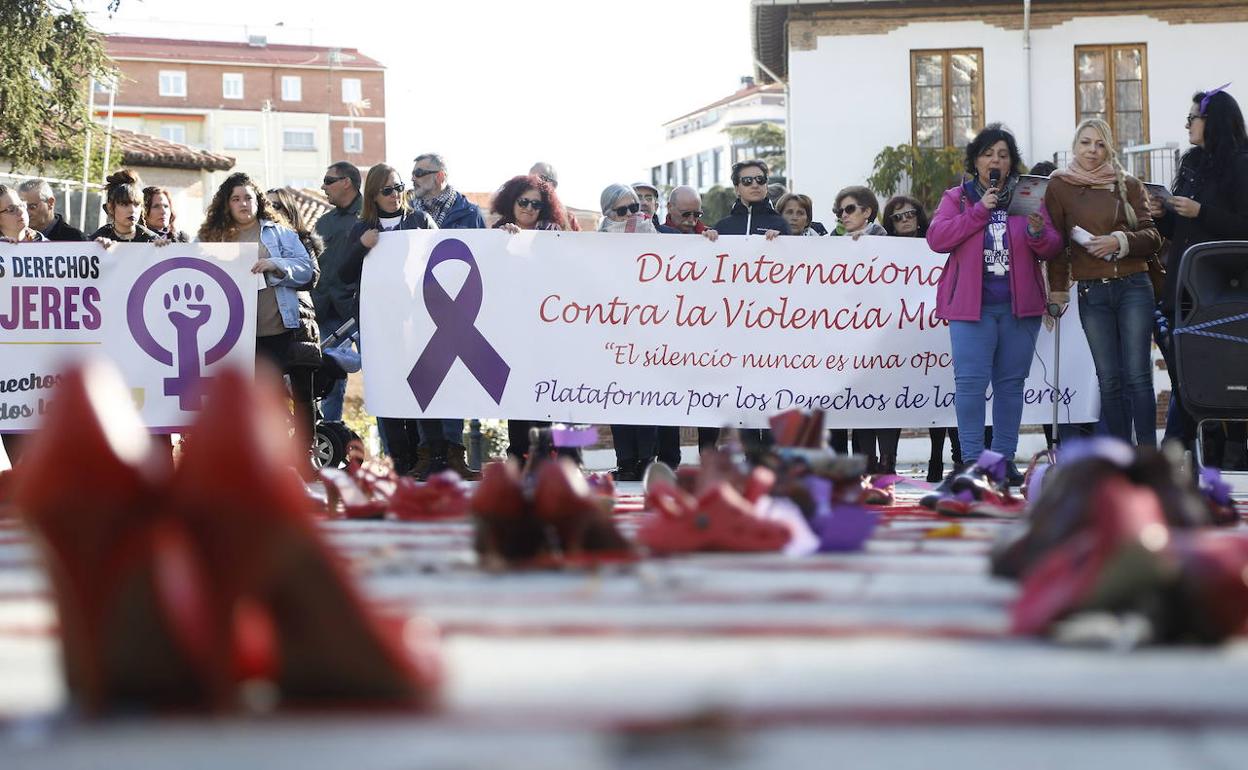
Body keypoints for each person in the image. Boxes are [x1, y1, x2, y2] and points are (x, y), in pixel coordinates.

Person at [926, 123, 1063, 488]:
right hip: (971, 308)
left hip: (1020, 309)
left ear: (1012, 162)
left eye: (1003, 155)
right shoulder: (957, 198)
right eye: (988, 154)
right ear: (975, 161)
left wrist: (1036, 232)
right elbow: (937, 239)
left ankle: (1002, 458)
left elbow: (1050, 246)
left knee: (1010, 385)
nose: (996, 160)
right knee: (970, 384)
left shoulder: (1029, 197)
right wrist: (978, 212)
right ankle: (972, 459)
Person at [1045, 118, 1161, 448]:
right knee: (1108, 379)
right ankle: (1122, 456)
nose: (1092, 151)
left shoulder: (1129, 184)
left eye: (1099, 144)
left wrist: (1120, 241)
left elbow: (1153, 237)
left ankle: (1148, 457)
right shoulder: (1059, 186)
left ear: (1109, 148)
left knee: (1138, 376)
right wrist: (1056, 290)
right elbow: (1056, 245)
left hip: (1134, 286)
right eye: (1085, 143)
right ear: (1074, 145)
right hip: (1091, 290)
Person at [1150, 85, 1248, 457]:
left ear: (1214, 121)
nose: (1188, 124)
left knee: (1214, 381)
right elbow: (1183, 230)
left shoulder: (1241, 164)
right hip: (1183, 288)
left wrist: (1200, 212)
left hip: (1224, 296)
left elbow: (1243, 224)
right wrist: (1164, 218)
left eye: (1194, 117)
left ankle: (1199, 451)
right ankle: (1189, 453)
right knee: (1185, 381)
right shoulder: (1191, 163)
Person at [198, 172, 317, 461]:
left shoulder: (280, 233)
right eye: (236, 198)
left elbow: (308, 270)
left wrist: (275, 265)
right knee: (252, 400)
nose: (243, 203)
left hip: (277, 328)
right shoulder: (211, 237)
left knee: (287, 397)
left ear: (258, 201)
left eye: (248, 197)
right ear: (226, 204)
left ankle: (301, 454)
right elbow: (189, 264)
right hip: (236, 334)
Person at [338, 164, 439, 478]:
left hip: (420, 324)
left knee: (425, 389)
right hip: (379, 327)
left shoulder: (420, 220)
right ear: (374, 195)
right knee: (390, 392)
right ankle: (400, 461)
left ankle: (433, 457)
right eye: (387, 190)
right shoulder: (361, 229)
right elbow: (343, 275)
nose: (395, 195)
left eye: (398, 188)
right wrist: (362, 248)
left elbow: (445, 255)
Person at [493, 174, 579, 465]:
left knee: (560, 396)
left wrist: (557, 239)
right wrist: (502, 241)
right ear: (511, 202)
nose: (530, 208)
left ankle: (568, 457)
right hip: (514, 334)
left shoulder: (555, 234)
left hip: (552, 331)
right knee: (519, 397)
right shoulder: (494, 234)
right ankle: (520, 456)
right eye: (524, 202)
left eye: (536, 204)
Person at [409, 152, 486, 479]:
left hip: (459, 306)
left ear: (440, 176)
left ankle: (453, 452)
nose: (413, 178)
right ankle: (429, 452)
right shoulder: (407, 212)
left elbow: (483, 256)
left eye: (421, 173)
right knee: (424, 377)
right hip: (418, 306)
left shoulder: (469, 213)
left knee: (454, 379)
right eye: (412, 173)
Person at [709, 160, 787, 457]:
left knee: (770, 393)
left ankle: (772, 458)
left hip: (772, 326)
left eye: (760, 179)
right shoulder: (724, 227)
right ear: (737, 187)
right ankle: (751, 458)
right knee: (741, 393)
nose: (755, 184)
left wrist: (784, 245)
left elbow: (800, 271)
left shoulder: (781, 225)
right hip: (735, 327)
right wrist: (708, 244)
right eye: (747, 180)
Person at [881, 195, 953, 480]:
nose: (905, 219)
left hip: (935, 327)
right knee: (894, 398)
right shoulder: (883, 249)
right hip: (897, 333)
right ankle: (889, 461)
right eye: (897, 217)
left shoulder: (936, 244)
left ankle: (939, 458)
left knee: (940, 396)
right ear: (889, 222)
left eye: (910, 213)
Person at [598, 183, 660, 480]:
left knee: (646, 397)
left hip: (648, 328)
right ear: (608, 213)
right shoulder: (596, 243)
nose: (632, 215)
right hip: (613, 329)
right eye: (622, 210)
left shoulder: (654, 236)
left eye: (635, 207)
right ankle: (626, 461)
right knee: (619, 396)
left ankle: (646, 460)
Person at [313, 161, 363, 422]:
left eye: (328, 180)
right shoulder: (323, 222)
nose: (323, 186)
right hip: (326, 313)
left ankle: (398, 453)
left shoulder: (371, 216)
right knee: (328, 383)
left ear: (346, 182)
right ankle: (329, 438)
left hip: (362, 314)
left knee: (383, 377)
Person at [90, 169, 161, 243]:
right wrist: (96, 247)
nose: (132, 210)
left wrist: (162, 248)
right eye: (124, 204)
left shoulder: (151, 239)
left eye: (137, 204)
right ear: (110, 207)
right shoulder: (99, 238)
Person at [17, 179, 85, 241]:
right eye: (22, 207)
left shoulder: (74, 238)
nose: (26, 213)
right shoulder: (14, 236)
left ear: (50, 203)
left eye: (32, 207)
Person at [529, 162, 580, 230]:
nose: (534, 183)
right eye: (530, 179)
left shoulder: (568, 218)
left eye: (541, 178)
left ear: (554, 185)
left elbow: (577, 239)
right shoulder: (522, 210)